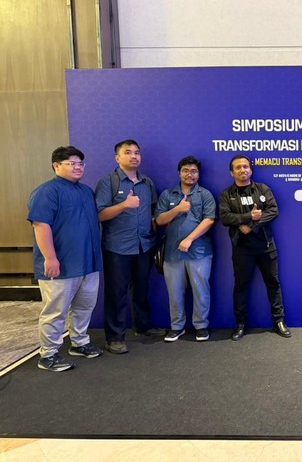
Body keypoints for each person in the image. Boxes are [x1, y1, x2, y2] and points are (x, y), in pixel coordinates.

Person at [27, 146, 103, 372]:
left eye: (80, 164)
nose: (78, 167)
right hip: (61, 265)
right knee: (55, 311)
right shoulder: (46, 191)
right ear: (56, 165)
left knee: (84, 307)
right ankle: (48, 354)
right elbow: (40, 225)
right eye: (72, 163)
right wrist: (50, 258)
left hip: (88, 263)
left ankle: (79, 343)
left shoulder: (86, 191)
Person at [95, 139, 164, 354]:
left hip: (144, 245)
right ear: (117, 157)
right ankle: (114, 338)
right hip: (117, 247)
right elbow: (99, 214)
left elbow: (153, 210)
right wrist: (124, 205)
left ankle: (142, 326)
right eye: (128, 152)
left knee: (142, 288)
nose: (134, 156)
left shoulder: (147, 182)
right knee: (117, 293)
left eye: (137, 152)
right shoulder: (108, 182)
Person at [218, 154, 291, 340]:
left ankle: (278, 321)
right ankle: (240, 324)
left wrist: (252, 226)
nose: (242, 170)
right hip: (242, 249)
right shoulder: (227, 194)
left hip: (266, 246)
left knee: (273, 283)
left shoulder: (262, 189)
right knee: (241, 286)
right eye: (238, 167)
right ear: (231, 172)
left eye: (245, 166)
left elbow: (273, 211)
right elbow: (225, 217)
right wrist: (248, 217)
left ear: (250, 170)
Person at [155, 156, 216, 342]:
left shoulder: (205, 194)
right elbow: (159, 220)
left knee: (200, 290)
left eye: (194, 171)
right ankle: (177, 327)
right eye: (186, 171)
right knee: (174, 292)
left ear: (199, 174)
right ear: (179, 173)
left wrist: (189, 239)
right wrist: (177, 209)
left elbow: (209, 220)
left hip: (199, 252)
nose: (190, 174)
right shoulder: (168, 194)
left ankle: (201, 326)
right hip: (172, 253)